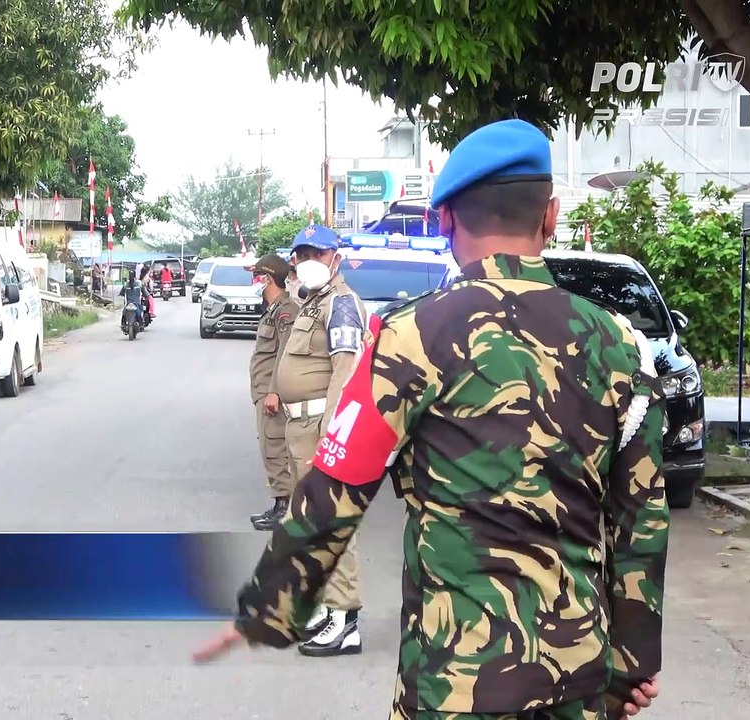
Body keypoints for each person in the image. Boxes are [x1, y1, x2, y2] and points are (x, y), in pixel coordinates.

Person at [194, 119, 668, 720]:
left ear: (444, 221)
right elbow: (641, 524)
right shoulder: (621, 346)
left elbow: (334, 491)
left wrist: (269, 609)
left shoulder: (405, 338)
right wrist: (631, 666)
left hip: (449, 686)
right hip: (576, 685)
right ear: (549, 216)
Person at [269, 223, 368, 657]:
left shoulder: (342, 304)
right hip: (299, 430)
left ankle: (346, 620)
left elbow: (344, 375)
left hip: (319, 430)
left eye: (318, 253)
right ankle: (327, 608)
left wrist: (332, 437)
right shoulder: (311, 302)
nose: (308, 260)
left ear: (336, 258)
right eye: (301, 253)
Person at [246, 253, 299, 531]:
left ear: (267, 279)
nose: (254, 281)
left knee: (276, 447)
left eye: (257, 276)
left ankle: (284, 508)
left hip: (272, 393)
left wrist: (274, 392)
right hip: (263, 390)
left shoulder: (286, 310)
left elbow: (284, 352)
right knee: (269, 447)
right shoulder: (273, 309)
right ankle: (279, 504)